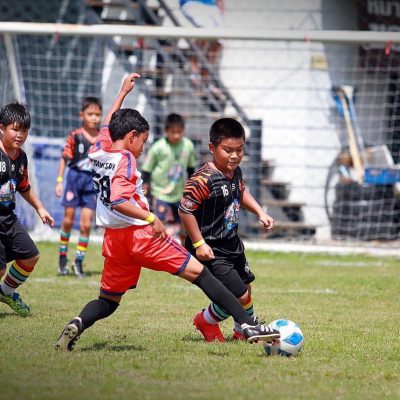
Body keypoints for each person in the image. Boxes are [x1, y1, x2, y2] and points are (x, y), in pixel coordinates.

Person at [55, 73, 279, 351]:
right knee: (202, 274)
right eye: (143, 141)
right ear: (132, 137)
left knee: (108, 300)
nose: (142, 148)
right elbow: (118, 199)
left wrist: (122, 93)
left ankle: (78, 323)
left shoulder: (99, 150)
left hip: (114, 240)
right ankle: (248, 324)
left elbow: (107, 123)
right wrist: (151, 217)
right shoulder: (125, 159)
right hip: (141, 236)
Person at [179, 117, 275, 342]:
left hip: (232, 242)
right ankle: (207, 320)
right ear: (212, 148)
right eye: (228, 150)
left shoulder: (235, 171)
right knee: (238, 295)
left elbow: (240, 191)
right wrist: (199, 244)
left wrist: (260, 212)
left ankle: (240, 332)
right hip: (210, 248)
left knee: (246, 288)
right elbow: (185, 211)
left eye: (239, 150)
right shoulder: (202, 179)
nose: (234, 156)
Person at [0, 102, 54, 316]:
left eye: (24, 130)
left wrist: (40, 208)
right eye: (15, 129)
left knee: (31, 256)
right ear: (2, 128)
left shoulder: (21, 157)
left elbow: (23, 187)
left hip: (8, 219)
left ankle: (6, 292)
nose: (20, 135)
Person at [54, 97, 102, 278]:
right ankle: (62, 258)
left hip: (92, 182)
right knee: (67, 220)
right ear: (82, 115)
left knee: (86, 224)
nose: (94, 118)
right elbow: (64, 158)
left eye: (97, 114)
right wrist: (59, 180)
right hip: (74, 179)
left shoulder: (102, 138)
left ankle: (79, 261)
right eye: (90, 114)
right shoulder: (75, 136)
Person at [141, 113, 196, 242]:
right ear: (166, 131)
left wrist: (191, 189)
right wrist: (146, 186)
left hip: (179, 194)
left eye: (179, 132)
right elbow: (146, 169)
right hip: (160, 193)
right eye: (173, 132)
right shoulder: (158, 147)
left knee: (183, 225)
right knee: (161, 225)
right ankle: (160, 249)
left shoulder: (188, 145)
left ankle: (183, 250)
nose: (176, 135)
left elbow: (191, 169)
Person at [180, 0, 224, 94]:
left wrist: (219, 7)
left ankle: (205, 77)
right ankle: (193, 65)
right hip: (193, 3)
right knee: (207, 29)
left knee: (219, 41)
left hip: (212, 6)